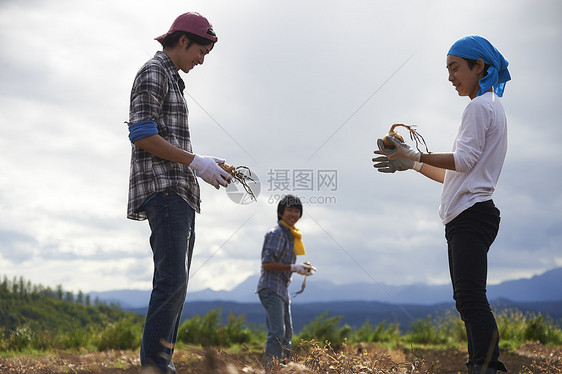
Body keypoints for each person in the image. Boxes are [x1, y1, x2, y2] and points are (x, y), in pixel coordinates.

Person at [373, 35, 511, 374]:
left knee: (471, 297)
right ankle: (481, 363)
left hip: (470, 215)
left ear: (479, 67)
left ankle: (487, 366)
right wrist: (414, 164)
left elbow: (462, 161)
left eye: (455, 68)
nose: (450, 77)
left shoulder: (479, 107)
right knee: (466, 298)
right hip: (470, 214)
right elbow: (455, 173)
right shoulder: (490, 107)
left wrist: (414, 153)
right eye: (447, 70)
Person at [126, 12, 231, 374]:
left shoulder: (171, 78)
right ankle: (156, 366)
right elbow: (141, 133)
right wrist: (195, 162)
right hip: (165, 190)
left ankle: (161, 362)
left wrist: (202, 162)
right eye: (201, 51)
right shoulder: (154, 72)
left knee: (177, 284)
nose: (201, 60)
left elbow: (167, 139)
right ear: (183, 40)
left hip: (179, 192)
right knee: (171, 281)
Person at [256, 195, 316, 367]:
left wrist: (300, 268)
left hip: (281, 290)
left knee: (287, 334)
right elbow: (267, 264)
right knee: (277, 332)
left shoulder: (291, 235)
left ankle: (285, 368)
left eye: (297, 211)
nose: (293, 214)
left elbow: (283, 263)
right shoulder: (276, 233)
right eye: (289, 210)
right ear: (280, 212)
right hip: (270, 287)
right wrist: (292, 267)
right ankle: (271, 369)